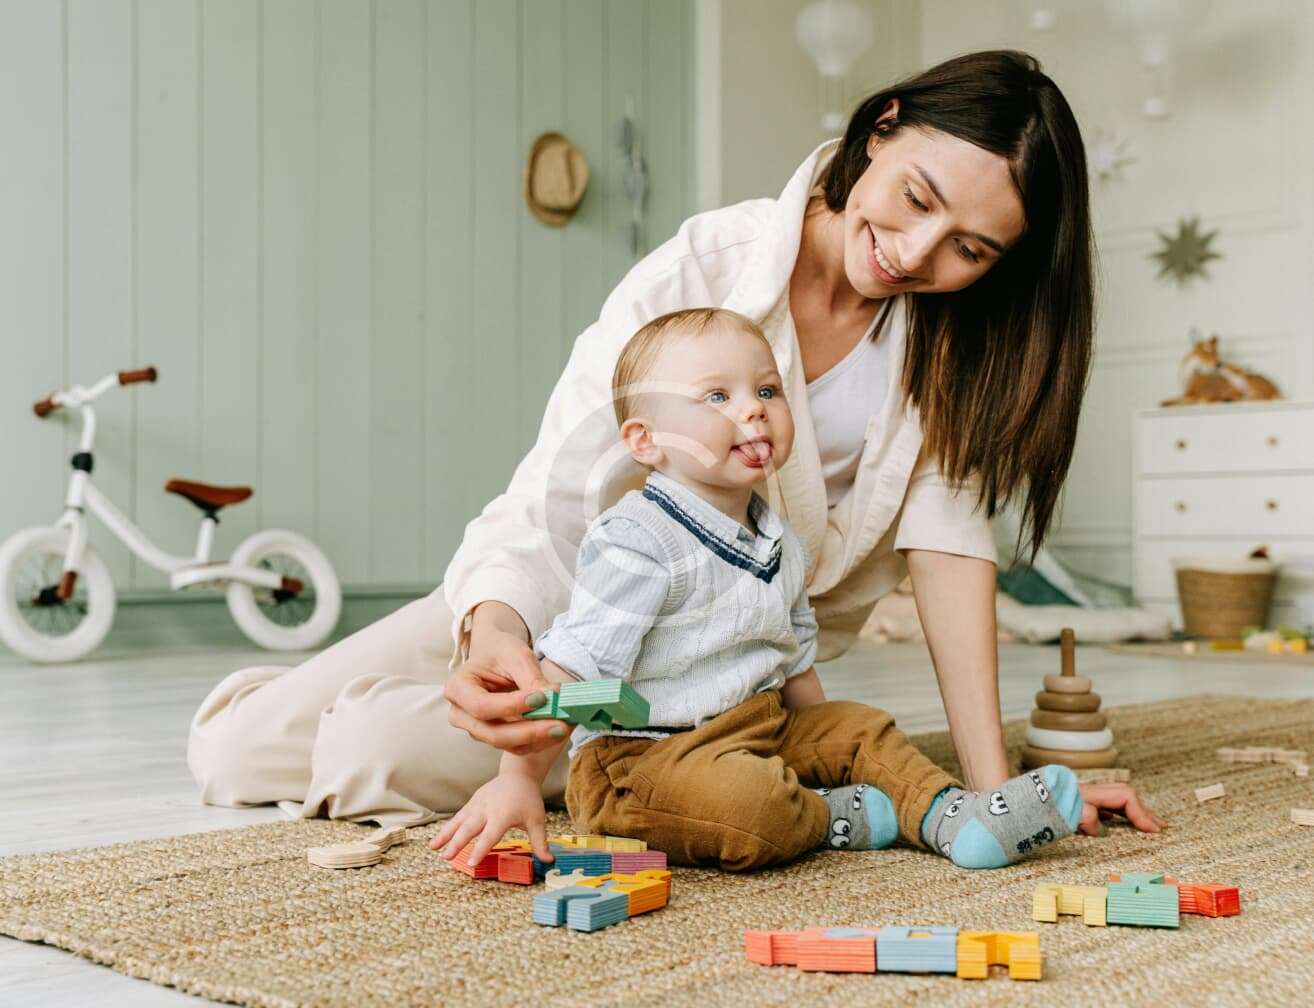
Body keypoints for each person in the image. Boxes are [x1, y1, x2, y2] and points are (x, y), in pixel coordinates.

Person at [188, 50, 1163, 837]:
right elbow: (556, 493)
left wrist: (994, 794)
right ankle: (428, 698)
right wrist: (495, 634)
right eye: (916, 197)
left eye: (969, 249)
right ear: (883, 127)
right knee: (231, 750)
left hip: (709, 675)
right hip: (568, 594)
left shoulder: (955, 354)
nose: (915, 252)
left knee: (369, 750)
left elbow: (949, 555)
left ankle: (662, 757)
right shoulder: (706, 268)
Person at [432, 306, 1091, 872]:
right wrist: (517, 779)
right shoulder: (638, 540)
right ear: (646, 441)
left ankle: (958, 817)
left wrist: (828, 747)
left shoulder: (779, 539)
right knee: (752, 804)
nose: (753, 408)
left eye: (768, 391)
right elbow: (572, 676)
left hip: (757, 726)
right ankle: (826, 816)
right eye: (717, 397)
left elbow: (793, 658)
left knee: (864, 728)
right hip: (643, 763)